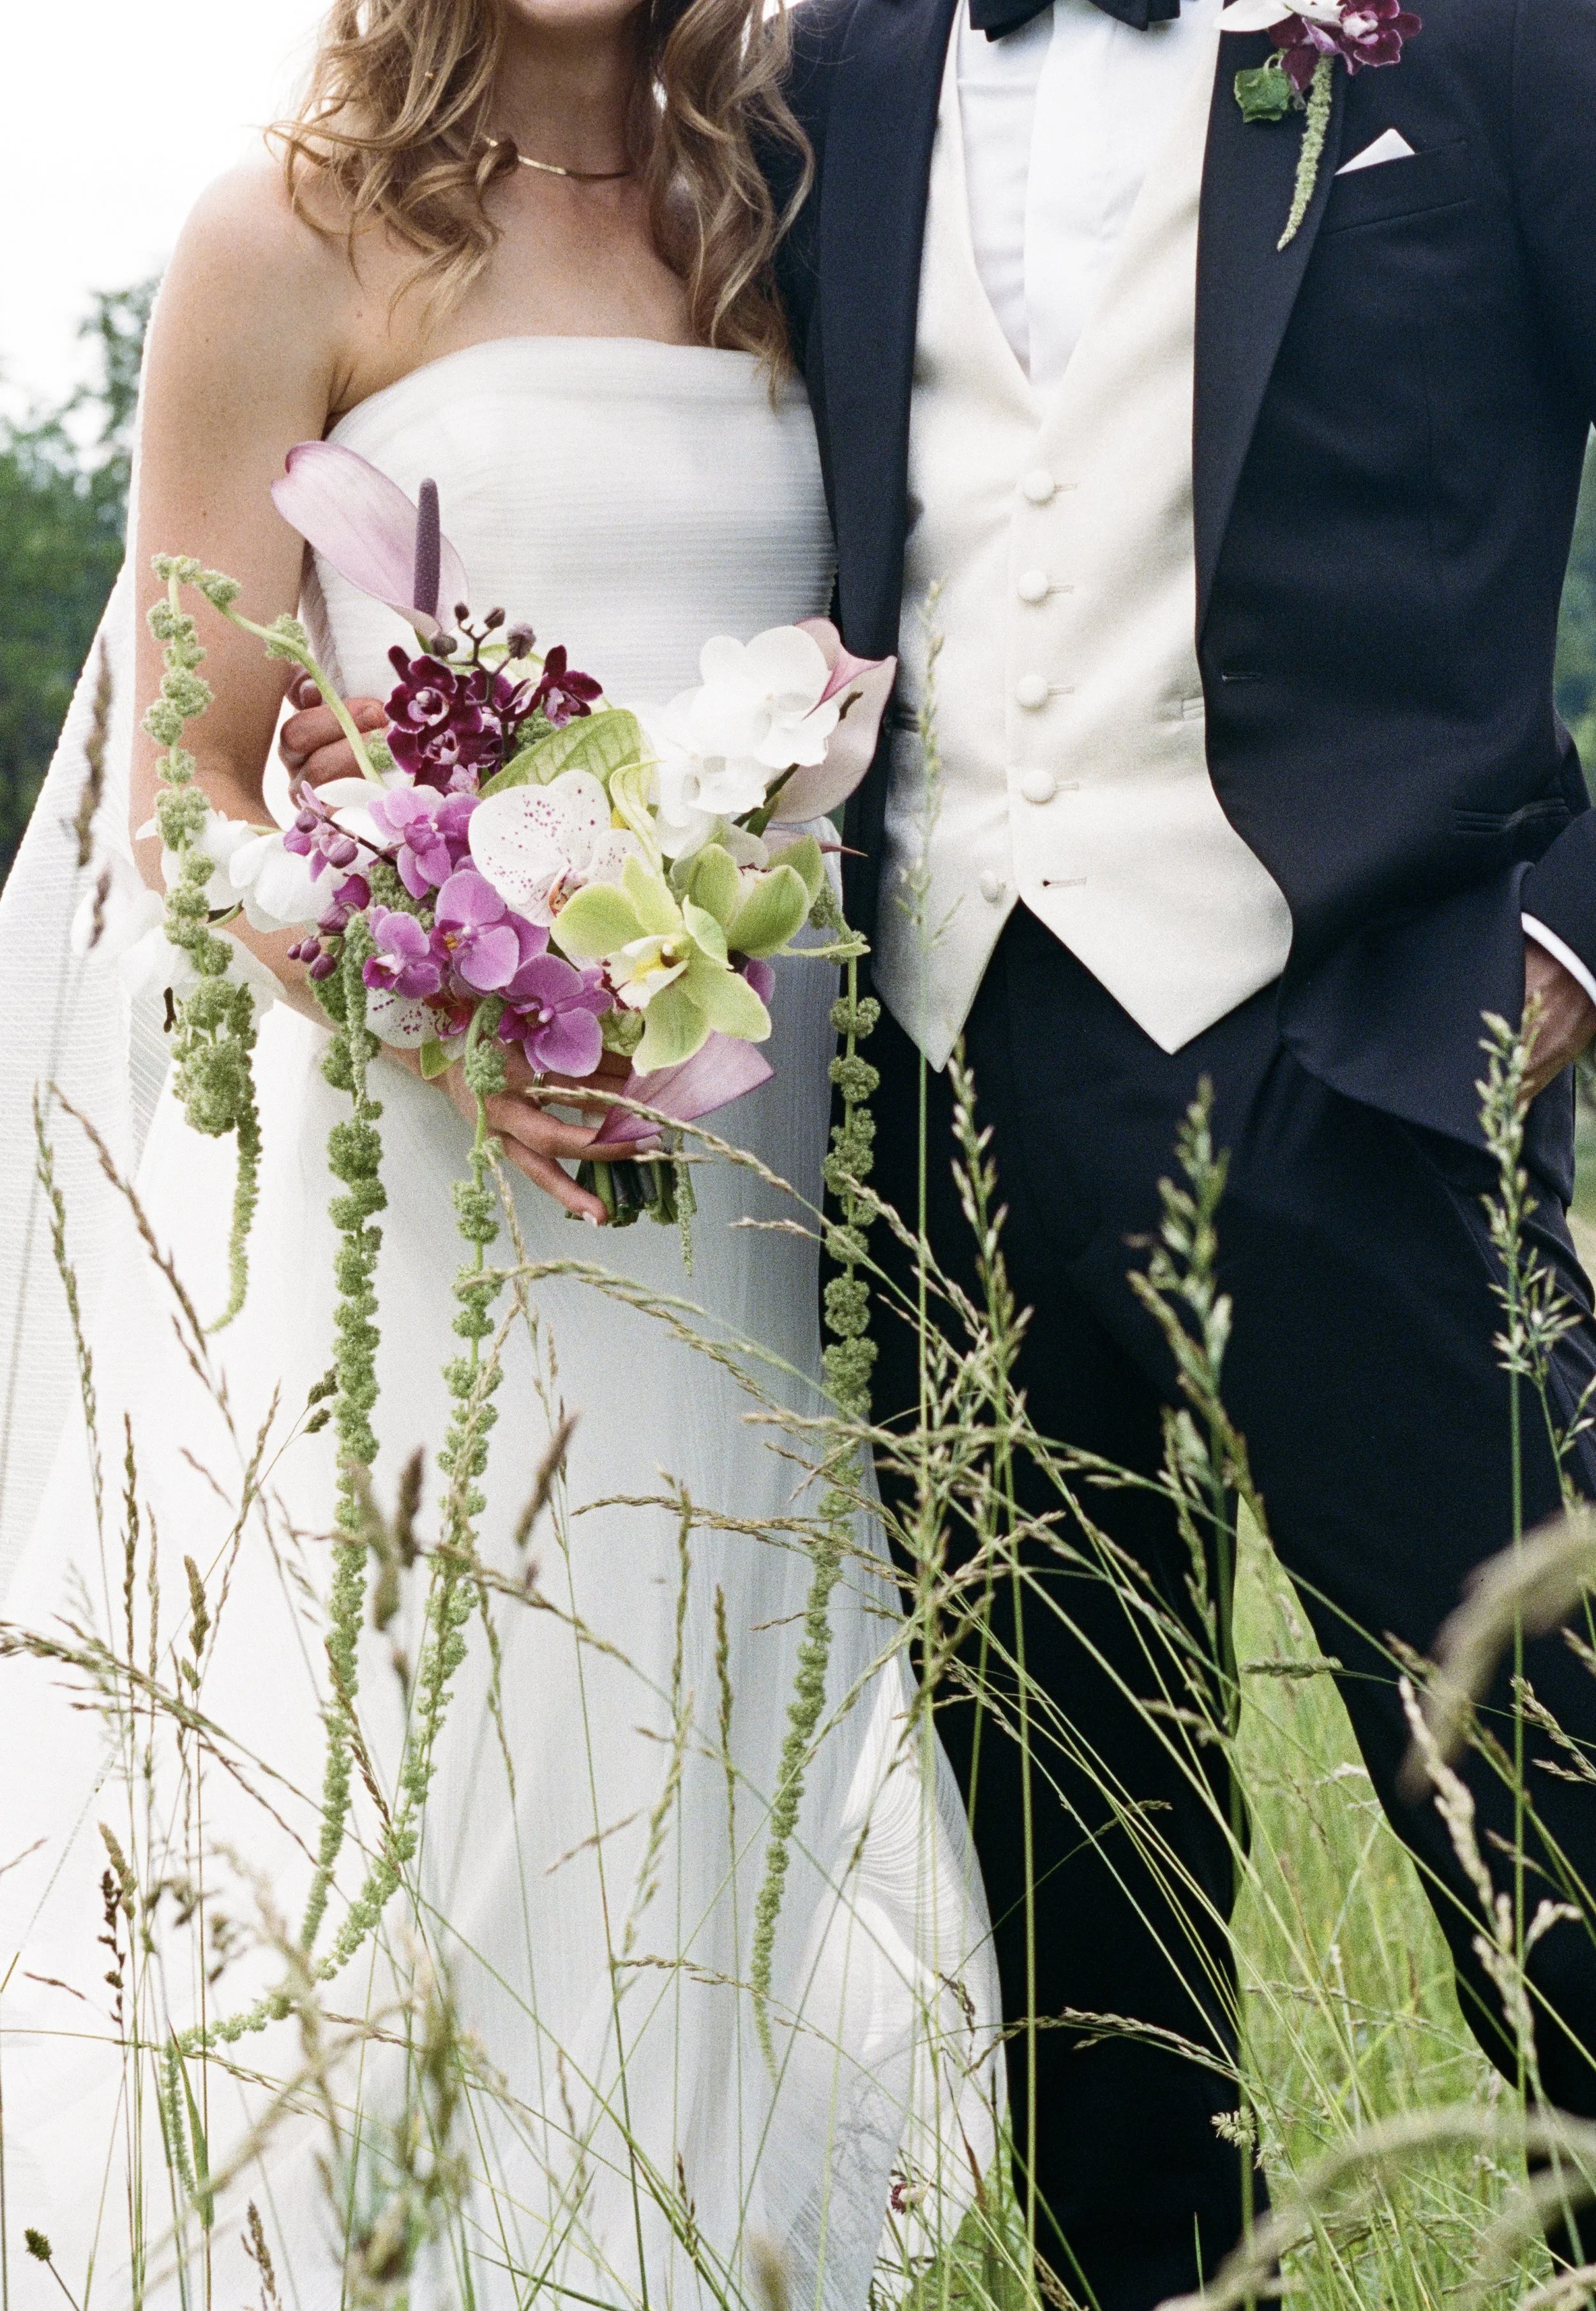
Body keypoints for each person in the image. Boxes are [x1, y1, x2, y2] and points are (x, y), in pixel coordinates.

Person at [0, 1, 1000, 2305]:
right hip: (452, 1176)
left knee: (702, 1771)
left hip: (754, 1175)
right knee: (419, 1783)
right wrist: (424, 989)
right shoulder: (287, 233)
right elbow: (186, 778)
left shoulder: (778, 201)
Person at [757, 0, 1596, 2302]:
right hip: (937, 1071)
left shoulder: (1498, 37)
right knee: (1077, 1913)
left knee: (1559, 1822)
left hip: (1374, 1059)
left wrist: (1571, 935)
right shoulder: (831, 69)